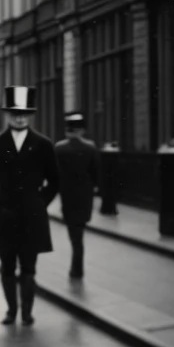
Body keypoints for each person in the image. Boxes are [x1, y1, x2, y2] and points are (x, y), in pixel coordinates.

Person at [0, 85, 59, 325]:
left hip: (33, 216)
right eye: (15, 113)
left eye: (24, 113)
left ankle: (28, 313)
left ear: (30, 114)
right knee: (6, 267)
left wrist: (40, 203)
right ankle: (11, 311)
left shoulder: (44, 145)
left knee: (29, 267)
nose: (20, 117)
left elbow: (55, 180)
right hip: (5, 216)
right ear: (8, 115)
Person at [54, 111, 99, 280]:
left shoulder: (59, 148)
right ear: (82, 130)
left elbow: (54, 173)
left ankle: (76, 268)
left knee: (74, 235)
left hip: (68, 196)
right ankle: (77, 268)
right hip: (85, 197)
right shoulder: (90, 147)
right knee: (79, 233)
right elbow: (96, 173)